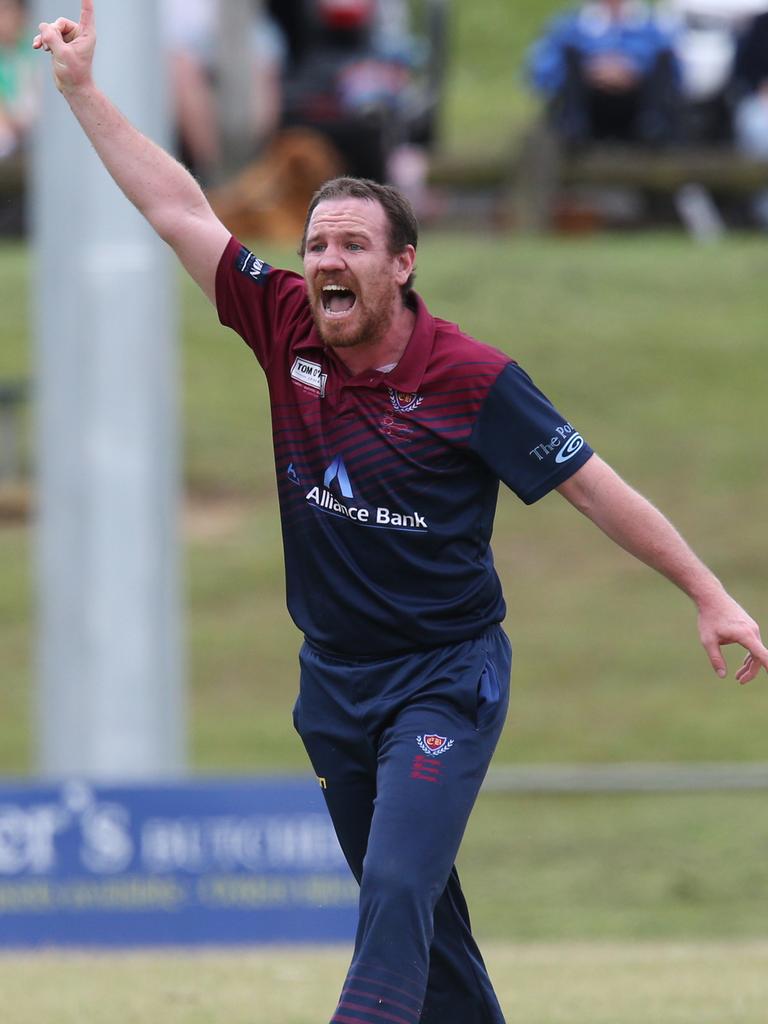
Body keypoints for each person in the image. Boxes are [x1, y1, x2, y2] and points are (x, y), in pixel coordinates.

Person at [34, 5, 768, 1023]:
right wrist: (81, 93)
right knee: (429, 929)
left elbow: (595, 485)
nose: (325, 259)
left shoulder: (471, 379)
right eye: (315, 243)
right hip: (334, 682)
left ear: (402, 263)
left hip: (443, 677)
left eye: (350, 245)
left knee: (390, 892)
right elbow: (179, 210)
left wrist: (710, 593)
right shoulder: (285, 320)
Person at [527, 0, 683, 146]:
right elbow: (541, 73)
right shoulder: (570, 25)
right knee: (570, 56)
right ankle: (573, 125)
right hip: (589, 106)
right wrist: (591, 70)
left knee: (662, 59)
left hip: (637, 106)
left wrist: (634, 69)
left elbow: (675, 73)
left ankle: (654, 126)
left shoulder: (655, 25)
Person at [729, 9, 768, 226]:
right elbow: (741, 72)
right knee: (759, 127)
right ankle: (763, 213)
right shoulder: (760, 25)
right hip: (760, 101)